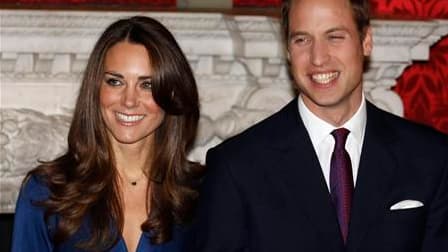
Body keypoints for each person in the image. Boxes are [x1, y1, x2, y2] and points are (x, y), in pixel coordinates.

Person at [187, 0, 448, 251]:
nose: (318, 58)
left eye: (334, 37)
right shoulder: (236, 166)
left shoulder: (431, 157)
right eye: (302, 39)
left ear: (366, 41)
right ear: (288, 51)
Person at [11, 16, 203, 252]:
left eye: (147, 85)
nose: (129, 101)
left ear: (172, 93)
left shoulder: (204, 192)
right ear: (95, 90)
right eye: (115, 82)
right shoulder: (44, 192)